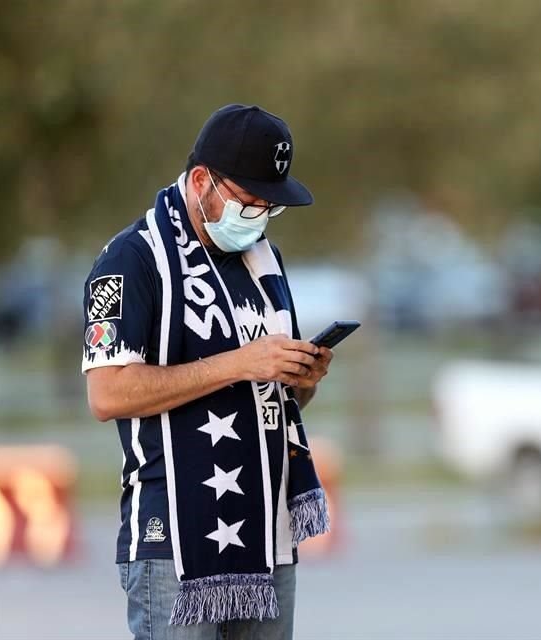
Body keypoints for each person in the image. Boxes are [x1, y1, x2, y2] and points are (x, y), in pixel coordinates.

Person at [82, 104, 333, 640]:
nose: (258, 218)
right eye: (248, 202)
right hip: (173, 534)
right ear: (201, 182)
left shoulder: (261, 261)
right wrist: (239, 363)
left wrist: (300, 382)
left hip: (265, 531)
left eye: (269, 207)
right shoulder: (130, 260)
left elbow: (269, 401)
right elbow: (106, 394)